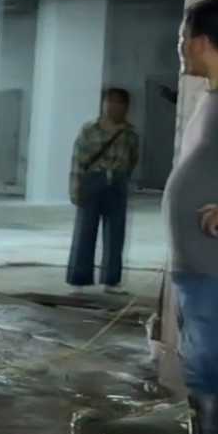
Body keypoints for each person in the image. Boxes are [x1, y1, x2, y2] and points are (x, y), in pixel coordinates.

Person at [172, 0, 218, 434]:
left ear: (203, 42)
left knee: (212, 367)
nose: (180, 48)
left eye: (183, 37)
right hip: (197, 268)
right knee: (200, 365)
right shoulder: (213, 98)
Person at [67, 87, 140, 294]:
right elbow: (78, 161)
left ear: (126, 107)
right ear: (103, 104)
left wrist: (122, 178)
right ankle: (78, 280)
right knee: (85, 231)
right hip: (92, 182)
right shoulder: (89, 130)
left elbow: (133, 159)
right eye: (110, 101)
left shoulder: (130, 134)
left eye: (119, 102)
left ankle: (111, 281)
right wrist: (75, 187)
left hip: (117, 184)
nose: (113, 106)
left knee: (115, 233)